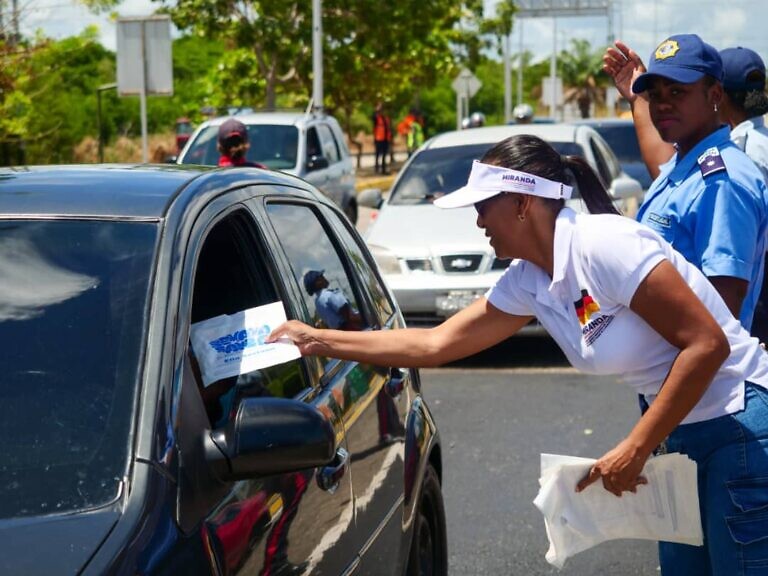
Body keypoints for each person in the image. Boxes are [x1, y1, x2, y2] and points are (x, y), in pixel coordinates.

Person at [272, 134, 768, 576]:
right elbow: (435, 343)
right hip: (682, 431)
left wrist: (637, 447)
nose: (478, 221)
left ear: (523, 202)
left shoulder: (604, 244)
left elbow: (708, 344)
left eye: (483, 206)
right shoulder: (530, 278)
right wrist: (318, 340)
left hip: (739, 421)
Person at [603, 34, 768, 333]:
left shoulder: (722, 183)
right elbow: (662, 163)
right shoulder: (689, 161)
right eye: (656, 95)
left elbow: (720, 313)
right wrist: (638, 100)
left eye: (677, 92)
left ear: (715, 95)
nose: (663, 105)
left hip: (697, 360)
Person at [371, 101, 392, 174]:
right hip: (378, 139)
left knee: (384, 155)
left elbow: (388, 129)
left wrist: (390, 138)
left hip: (386, 139)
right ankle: (376, 169)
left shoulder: (386, 118)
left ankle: (383, 170)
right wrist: (377, 109)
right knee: (377, 155)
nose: (382, 111)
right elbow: (373, 117)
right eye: (381, 110)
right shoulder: (377, 118)